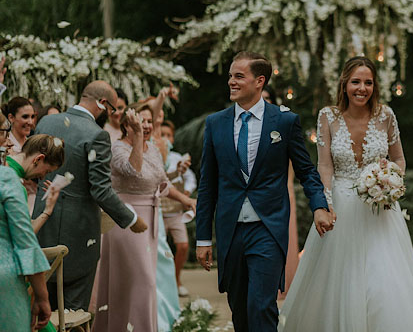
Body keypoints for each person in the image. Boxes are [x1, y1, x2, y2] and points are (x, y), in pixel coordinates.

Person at [280, 56, 413, 331]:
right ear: (344, 84)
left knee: (383, 277)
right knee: (341, 278)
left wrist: (389, 180)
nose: (362, 88)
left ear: (375, 86)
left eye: (368, 82)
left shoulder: (386, 115)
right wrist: (326, 204)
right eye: (356, 82)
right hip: (341, 204)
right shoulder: (328, 116)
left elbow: (399, 160)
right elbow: (325, 165)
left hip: (380, 210)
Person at [195, 52, 331, 332]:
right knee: (240, 309)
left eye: (238, 76)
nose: (231, 82)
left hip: (268, 227)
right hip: (231, 230)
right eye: (231, 76)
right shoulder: (215, 123)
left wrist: (319, 206)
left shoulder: (284, 122)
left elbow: (306, 170)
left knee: (261, 304)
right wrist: (203, 238)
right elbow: (207, 184)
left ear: (259, 81)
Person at [33, 81, 149, 311]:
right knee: (73, 310)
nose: (112, 114)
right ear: (102, 104)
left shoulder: (46, 121)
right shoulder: (97, 135)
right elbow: (101, 189)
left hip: (42, 224)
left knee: (41, 305)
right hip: (78, 234)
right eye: (113, 109)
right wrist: (131, 220)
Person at [92, 102, 195, 332]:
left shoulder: (154, 150)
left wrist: (186, 200)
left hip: (150, 219)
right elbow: (133, 170)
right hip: (126, 220)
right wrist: (137, 137)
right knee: (144, 282)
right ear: (127, 122)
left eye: (149, 121)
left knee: (137, 283)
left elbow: (160, 183)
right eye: (142, 121)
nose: (147, 125)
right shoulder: (117, 148)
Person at [0, 103, 52, 331]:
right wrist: (42, 297)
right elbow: (25, 242)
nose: (8, 141)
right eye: (3, 133)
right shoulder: (3, 177)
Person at [260, 86, 302, 300]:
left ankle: (286, 282)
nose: (263, 101)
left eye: (268, 97)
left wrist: (288, 189)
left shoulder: (284, 124)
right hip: (259, 193)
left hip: (283, 190)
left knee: (285, 239)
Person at [159, 120, 196, 297]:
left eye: (169, 135)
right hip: (159, 212)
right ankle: (160, 282)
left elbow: (191, 178)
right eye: (162, 134)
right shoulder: (155, 155)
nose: (166, 138)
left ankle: (176, 279)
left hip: (176, 212)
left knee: (183, 245)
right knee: (160, 249)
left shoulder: (177, 158)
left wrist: (186, 193)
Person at [7, 135, 66, 233]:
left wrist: (47, 210)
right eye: (46, 171)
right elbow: (24, 236)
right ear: (38, 159)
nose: (42, 177)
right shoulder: (17, 188)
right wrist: (48, 211)